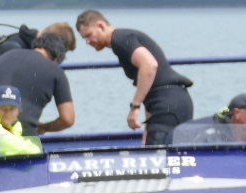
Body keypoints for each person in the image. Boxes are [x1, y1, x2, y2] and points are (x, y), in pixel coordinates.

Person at [75, 10, 194, 145]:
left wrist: (135, 107)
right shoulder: (123, 38)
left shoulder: (120, 39)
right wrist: (148, 128)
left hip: (167, 106)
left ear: (101, 26)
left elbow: (149, 65)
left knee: (156, 160)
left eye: (89, 35)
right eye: (84, 38)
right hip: (171, 103)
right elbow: (152, 82)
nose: (87, 42)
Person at [0, 29, 75, 135]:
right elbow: (68, 119)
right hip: (22, 139)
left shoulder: (3, 58)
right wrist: (44, 127)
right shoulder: (56, 71)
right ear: (56, 59)